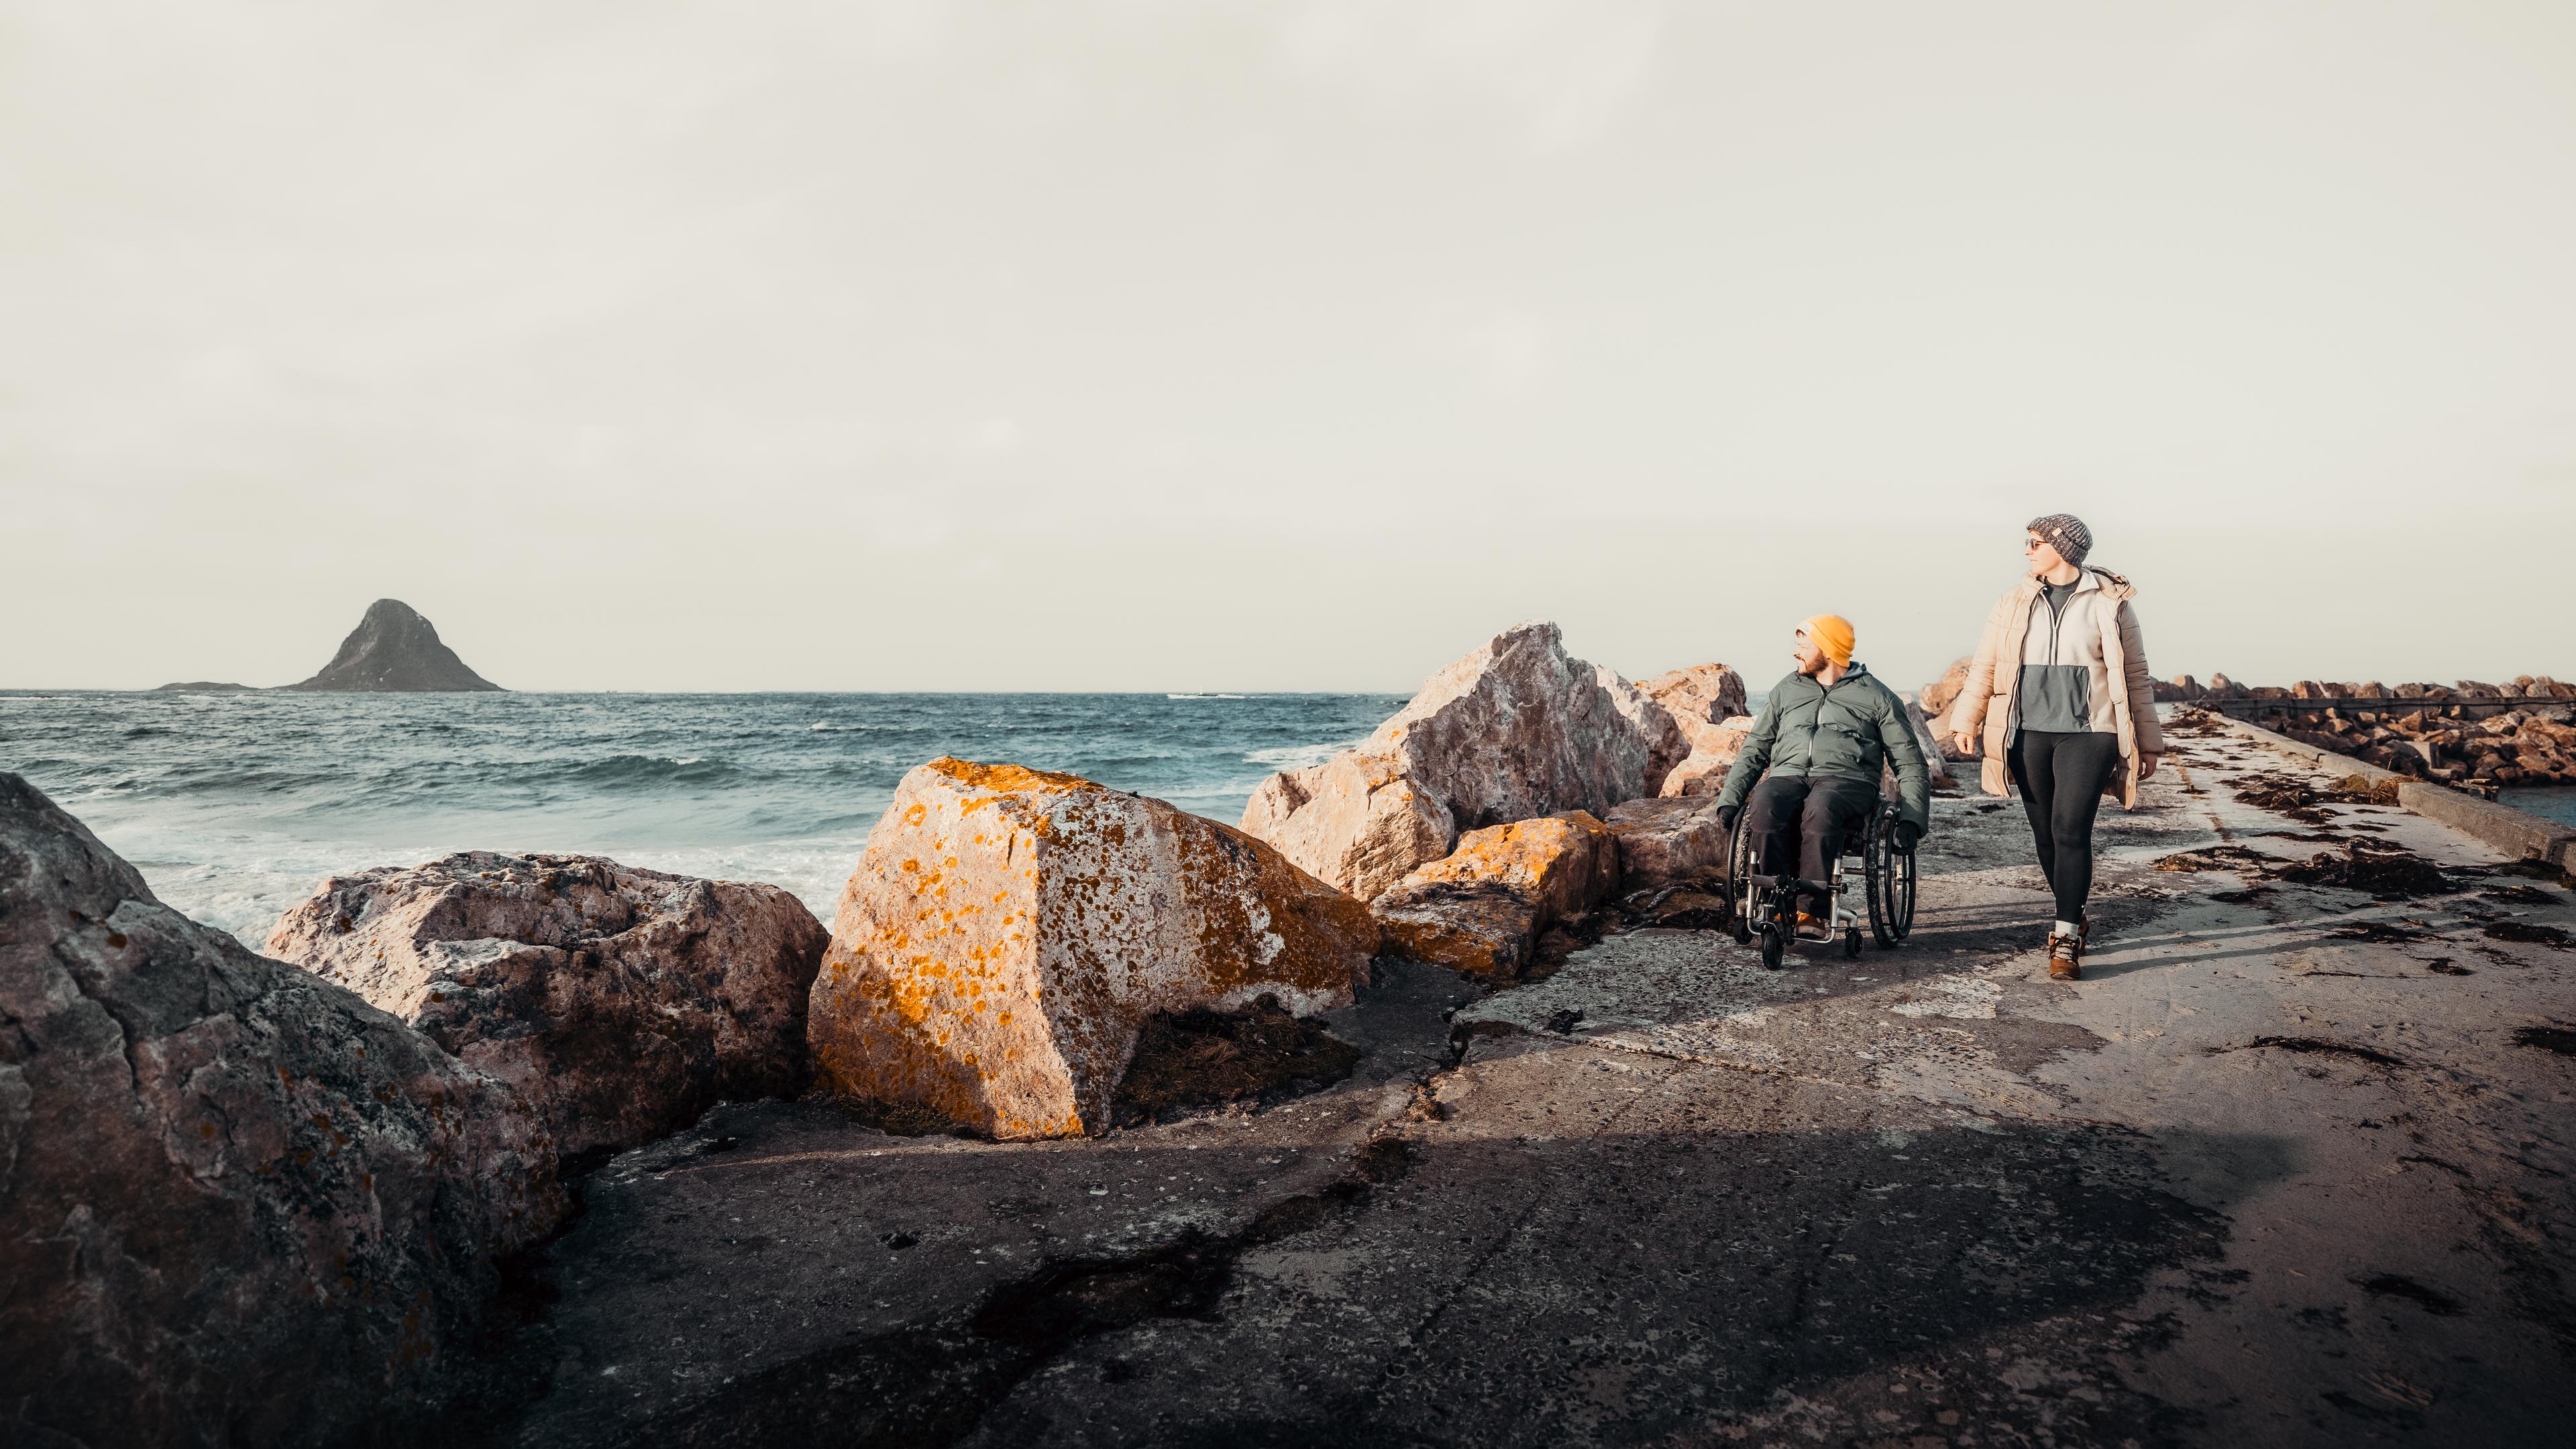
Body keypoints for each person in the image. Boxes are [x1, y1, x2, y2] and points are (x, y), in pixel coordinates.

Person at [1946, 513, 2162, 981]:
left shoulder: (2111, 603)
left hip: (2091, 732)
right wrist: (1967, 719)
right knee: (2044, 834)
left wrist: (2149, 743)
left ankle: (2065, 935)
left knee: (2070, 829)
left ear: (2063, 547)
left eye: (2035, 542)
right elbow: (1985, 665)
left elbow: (2136, 676)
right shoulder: (2013, 601)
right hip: (2026, 732)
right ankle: (2073, 909)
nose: (2027, 551)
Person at [1713, 614, 1931, 938]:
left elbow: (1910, 763)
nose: (1795, 652)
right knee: (1765, 803)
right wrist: (1730, 800)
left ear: (1828, 650)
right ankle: (1772, 900)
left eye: (1803, 645)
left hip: (1847, 781)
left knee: (1822, 806)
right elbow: (1755, 749)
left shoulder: (1878, 697)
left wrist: (1912, 820)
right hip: (1788, 776)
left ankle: (1810, 911)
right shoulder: (1786, 690)